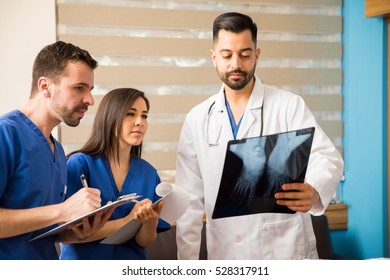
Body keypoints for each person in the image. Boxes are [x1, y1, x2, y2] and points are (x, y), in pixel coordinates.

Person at [175, 12, 344, 259]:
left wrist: (315, 190)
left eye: (245, 55)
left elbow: (327, 157)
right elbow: (188, 203)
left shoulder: (288, 106)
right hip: (226, 254)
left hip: (283, 250)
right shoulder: (198, 118)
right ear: (213, 57)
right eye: (227, 55)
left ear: (257, 55)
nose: (236, 64)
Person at [0, 41, 113, 260]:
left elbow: (39, 229)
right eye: (79, 88)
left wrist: (76, 231)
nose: (90, 100)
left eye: (90, 90)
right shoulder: (6, 134)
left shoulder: (58, 151)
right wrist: (63, 211)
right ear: (45, 87)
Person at [59, 88, 170, 260]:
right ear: (110, 117)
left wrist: (149, 222)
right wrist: (127, 220)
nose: (140, 122)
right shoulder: (79, 165)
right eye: (130, 114)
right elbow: (68, 233)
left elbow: (144, 242)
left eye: (144, 116)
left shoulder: (148, 173)